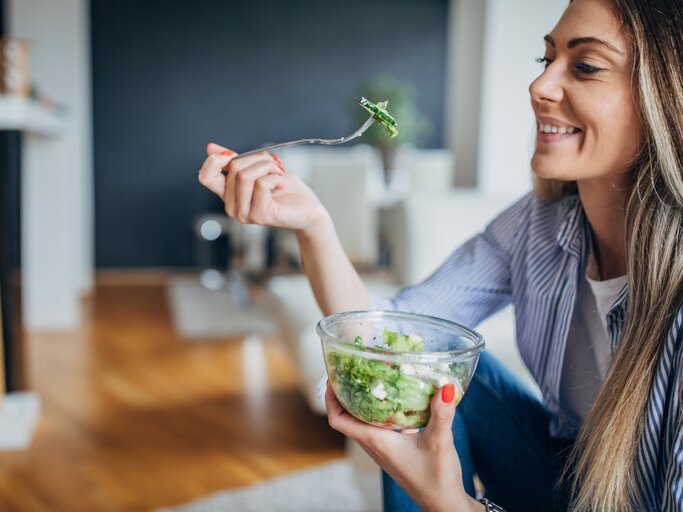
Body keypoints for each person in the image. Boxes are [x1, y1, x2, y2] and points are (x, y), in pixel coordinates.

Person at [198, 0, 683, 509]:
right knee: (430, 371)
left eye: (585, 66)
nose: (539, 87)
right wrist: (313, 224)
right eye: (547, 60)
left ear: (664, 97)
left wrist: (449, 503)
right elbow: (391, 341)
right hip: (567, 479)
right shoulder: (538, 226)